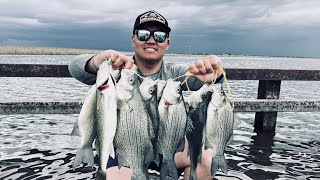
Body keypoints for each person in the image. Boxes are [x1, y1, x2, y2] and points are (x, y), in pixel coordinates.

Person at [69, 10, 224, 180]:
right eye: (143, 34)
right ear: (133, 40)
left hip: (167, 146)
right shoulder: (117, 71)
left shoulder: (175, 73)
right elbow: (75, 68)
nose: (151, 40)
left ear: (168, 43)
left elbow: (205, 83)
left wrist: (215, 74)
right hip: (127, 146)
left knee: (207, 158)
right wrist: (96, 61)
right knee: (115, 177)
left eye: (159, 35)